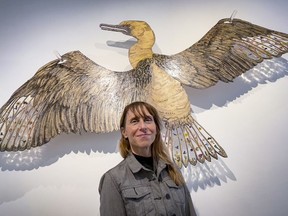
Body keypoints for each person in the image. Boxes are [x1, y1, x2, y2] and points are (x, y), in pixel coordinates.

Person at [98, 101, 197, 216]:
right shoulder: (113, 180)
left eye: (147, 120)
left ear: (156, 128)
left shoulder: (172, 170)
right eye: (134, 121)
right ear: (124, 132)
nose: (143, 126)